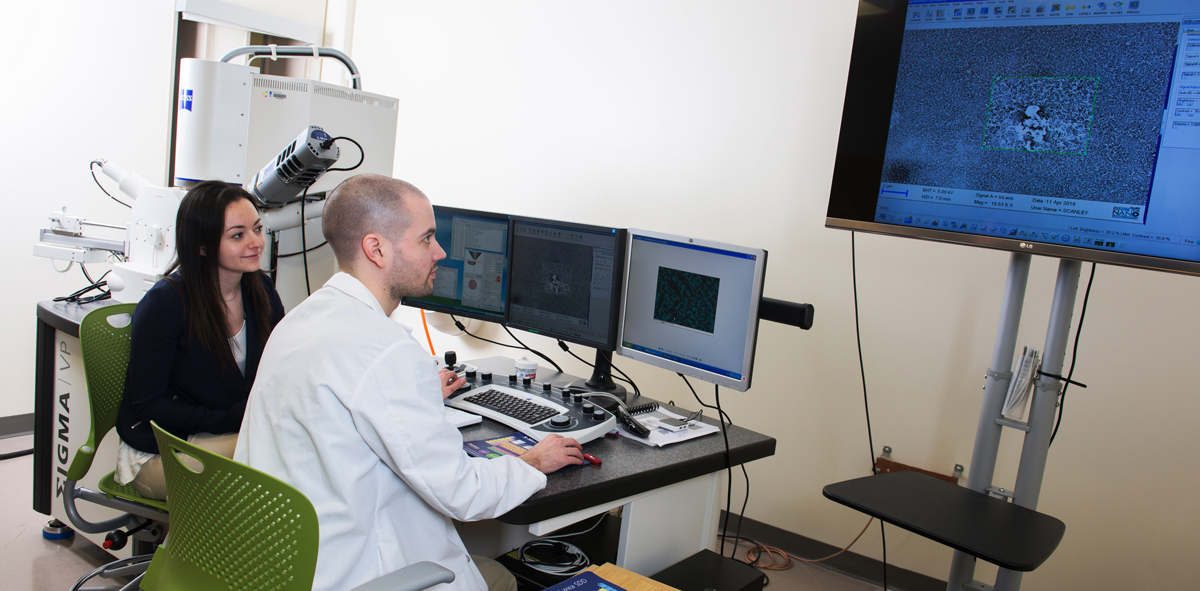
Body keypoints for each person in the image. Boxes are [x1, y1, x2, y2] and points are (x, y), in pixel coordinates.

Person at [235, 174, 583, 591]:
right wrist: (531, 464)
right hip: (357, 573)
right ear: (376, 249)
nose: (440, 252)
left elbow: (348, 402)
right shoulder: (387, 352)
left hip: (281, 565)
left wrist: (414, 391)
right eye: (427, 238)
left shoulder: (301, 320)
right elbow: (462, 494)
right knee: (503, 581)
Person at [114, 181, 285, 501]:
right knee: (273, 467)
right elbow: (148, 404)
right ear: (202, 246)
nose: (256, 242)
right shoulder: (165, 304)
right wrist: (235, 418)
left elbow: (278, 367)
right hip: (162, 449)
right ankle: (185, 552)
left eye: (257, 229)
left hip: (229, 432)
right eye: (238, 235)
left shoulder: (260, 290)